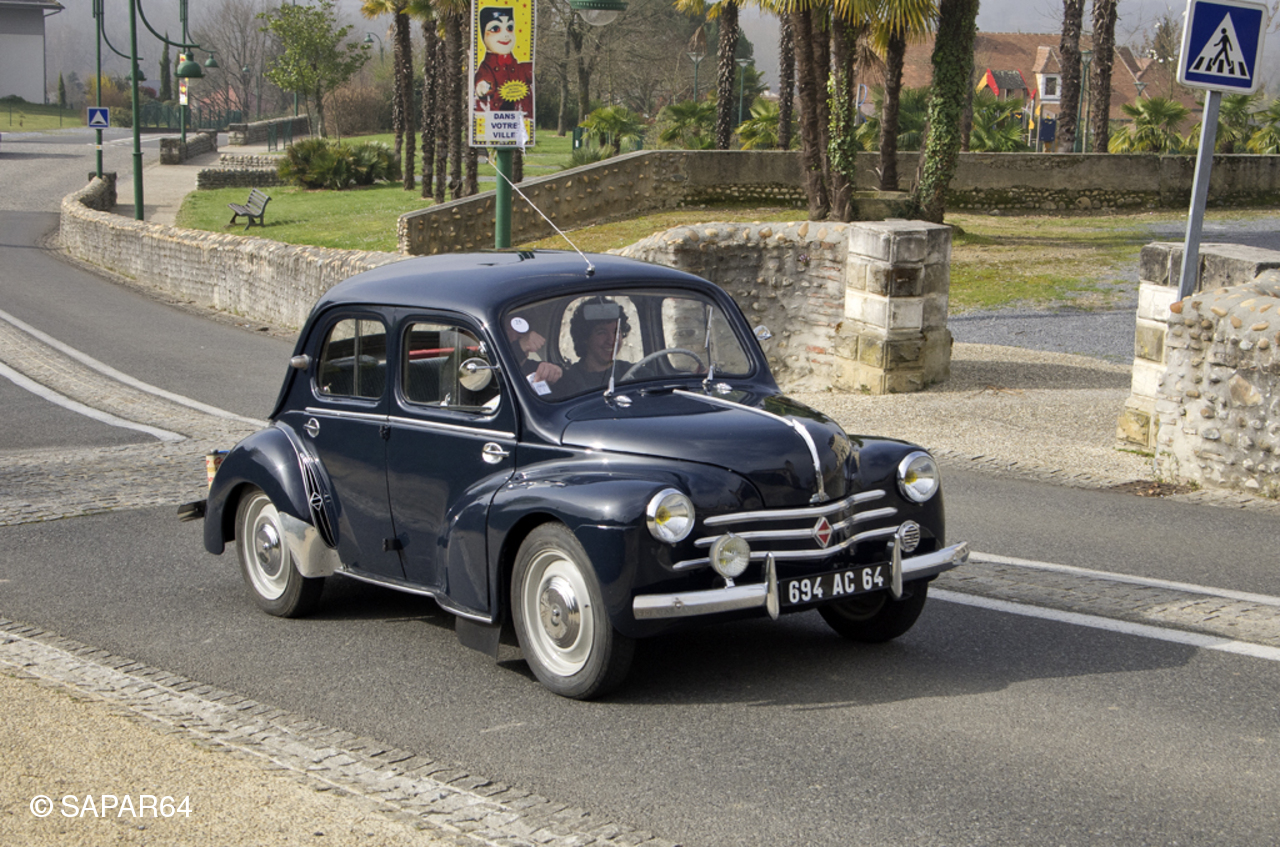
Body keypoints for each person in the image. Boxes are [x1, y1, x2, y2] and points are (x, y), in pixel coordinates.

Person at [555, 298, 634, 397]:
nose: (612, 340)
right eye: (602, 333)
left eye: (616, 332)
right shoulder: (568, 381)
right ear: (585, 337)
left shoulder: (634, 373)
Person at [473, 6, 533, 116]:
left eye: (509, 28)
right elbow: (482, 78)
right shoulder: (486, 68)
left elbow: (529, 71)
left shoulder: (518, 67)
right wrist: (482, 86)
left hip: (519, 119)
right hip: (494, 119)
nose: (506, 35)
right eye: (495, 29)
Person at [504, 315, 561, 396]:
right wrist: (518, 347)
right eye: (507, 330)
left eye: (521, 332)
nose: (515, 336)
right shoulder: (492, 372)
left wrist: (557, 372)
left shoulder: (537, 368)